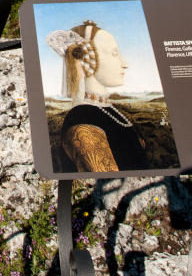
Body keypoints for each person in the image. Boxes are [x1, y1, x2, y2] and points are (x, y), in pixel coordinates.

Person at [46, 20, 148, 172]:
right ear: (87, 58)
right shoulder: (82, 122)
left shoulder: (109, 110)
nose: (124, 63)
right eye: (115, 53)